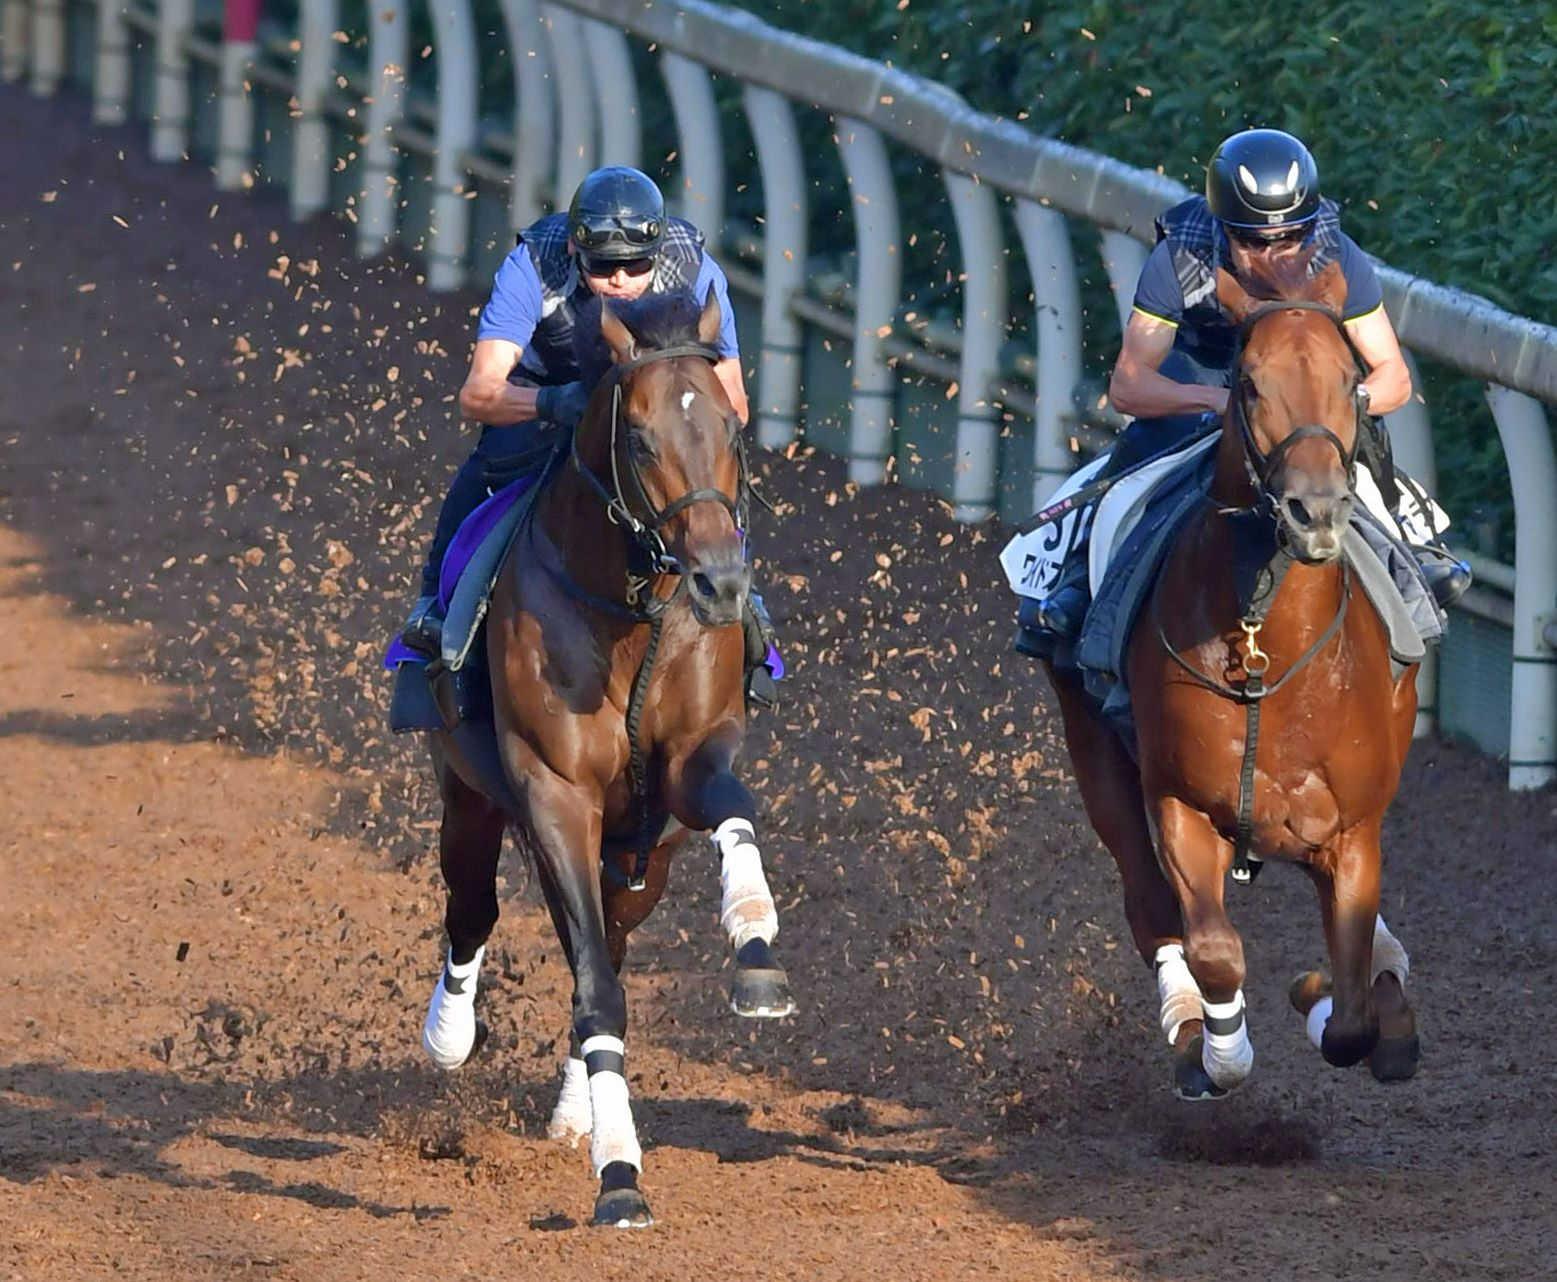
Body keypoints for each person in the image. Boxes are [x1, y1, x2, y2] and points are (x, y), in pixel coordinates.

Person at [1035, 128, 1470, 641]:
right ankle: (1082, 582)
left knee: (1363, 437)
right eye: (1253, 242)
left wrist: (1333, 406)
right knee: (1147, 442)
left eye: (1291, 238)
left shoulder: (1338, 257)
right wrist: (1223, 402)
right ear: (1223, 229)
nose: (1276, 257)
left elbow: (1393, 378)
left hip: (1300, 383)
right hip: (1203, 371)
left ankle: (1410, 558)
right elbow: (1130, 386)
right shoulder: (1181, 256)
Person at [400, 165, 778, 706]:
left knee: (707, 467)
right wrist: (556, 403)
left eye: (636, 265)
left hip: (654, 408)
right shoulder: (532, 265)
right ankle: (435, 617)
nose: (621, 279)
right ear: (576, 251)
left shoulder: (697, 270)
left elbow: (733, 400)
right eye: (604, 266)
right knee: (487, 468)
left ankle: (746, 607)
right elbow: (479, 393)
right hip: (548, 395)